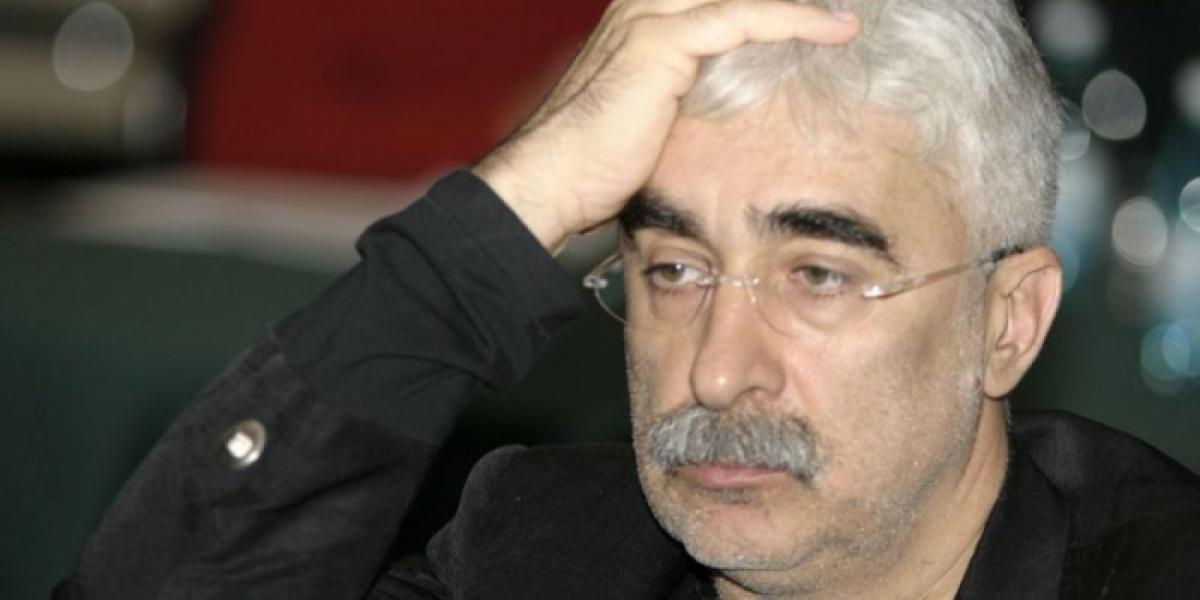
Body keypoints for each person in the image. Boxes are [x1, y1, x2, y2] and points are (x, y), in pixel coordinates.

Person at [58, 0, 1200, 598]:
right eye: (675, 269)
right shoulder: (545, 555)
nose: (715, 368)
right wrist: (503, 213)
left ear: (1008, 323)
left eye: (817, 275)